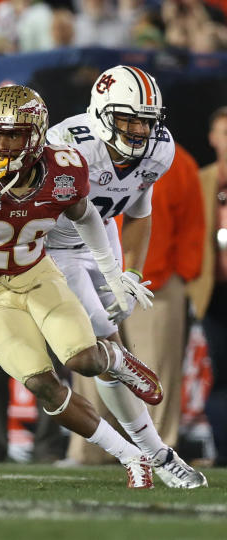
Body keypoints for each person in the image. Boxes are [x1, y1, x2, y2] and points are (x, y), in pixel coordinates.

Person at [0, 84, 167, 488]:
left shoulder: (63, 167)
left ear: (37, 133)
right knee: (43, 386)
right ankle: (132, 456)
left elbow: (88, 218)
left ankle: (115, 360)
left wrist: (112, 270)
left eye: (14, 134)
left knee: (82, 360)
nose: (2, 144)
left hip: (37, 272)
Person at [46, 65, 207, 488]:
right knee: (98, 342)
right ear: (101, 113)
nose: (139, 129)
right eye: (128, 119)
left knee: (101, 348)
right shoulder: (68, 145)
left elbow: (138, 211)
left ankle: (151, 451)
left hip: (101, 242)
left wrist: (131, 271)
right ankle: (154, 451)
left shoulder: (159, 150)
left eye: (145, 120)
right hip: (48, 245)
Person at [123, 143, 205, 449]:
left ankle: (157, 447)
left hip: (157, 281)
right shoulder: (100, 153)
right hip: (102, 276)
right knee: (93, 364)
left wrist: (181, 273)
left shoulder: (179, 162)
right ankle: (91, 450)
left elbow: (193, 223)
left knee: (156, 372)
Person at [188, 106, 227, 467]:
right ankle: (224, 453)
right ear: (213, 139)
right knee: (221, 375)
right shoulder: (201, 181)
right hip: (213, 292)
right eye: (224, 133)